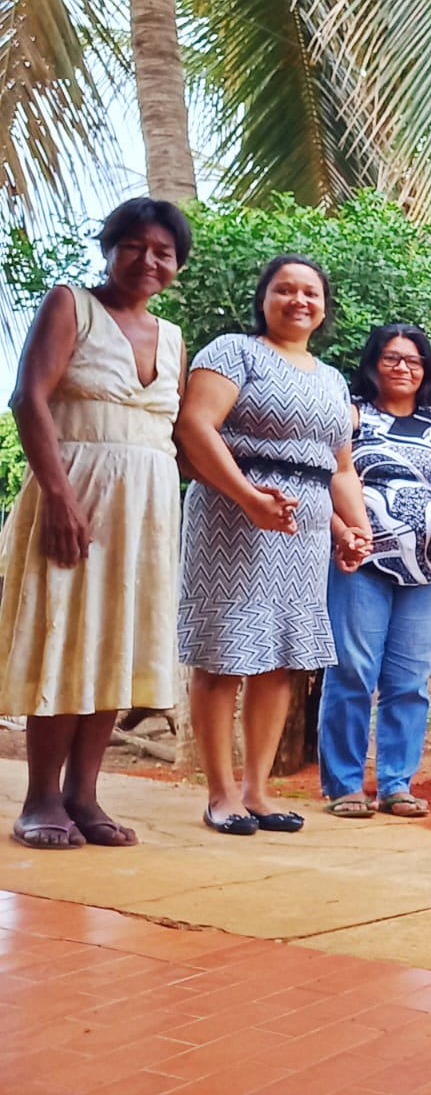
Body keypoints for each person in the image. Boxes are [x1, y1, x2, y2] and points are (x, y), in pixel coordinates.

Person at [0, 198, 190, 849]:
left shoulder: (172, 337)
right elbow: (28, 397)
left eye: (164, 252)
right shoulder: (70, 305)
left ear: (177, 264)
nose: (148, 260)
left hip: (147, 516)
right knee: (64, 637)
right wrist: (58, 497)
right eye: (134, 245)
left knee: (117, 642)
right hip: (73, 498)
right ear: (109, 249)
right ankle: (40, 797)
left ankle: (83, 795)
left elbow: (171, 433)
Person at [176, 255, 373, 836]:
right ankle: (220, 795)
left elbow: (338, 468)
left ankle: (257, 791)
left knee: (279, 658)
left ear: (324, 307)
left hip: (304, 529)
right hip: (232, 514)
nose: (298, 300)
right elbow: (195, 426)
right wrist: (247, 498)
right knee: (223, 654)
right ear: (263, 299)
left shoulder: (332, 380)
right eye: (284, 289)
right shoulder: (234, 351)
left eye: (310, 292)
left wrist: (352, 528)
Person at [319, 325, 431, 819]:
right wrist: (342, 531)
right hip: (361, 559)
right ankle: (344, 785)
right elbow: (328, 476)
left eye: (413, 360)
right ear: (373, 363)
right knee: (353, 671)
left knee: (410, 679)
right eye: (391, 358)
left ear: (426, 368)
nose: (403, 367)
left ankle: (396, 784)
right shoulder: (352, 413)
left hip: (425, 565)